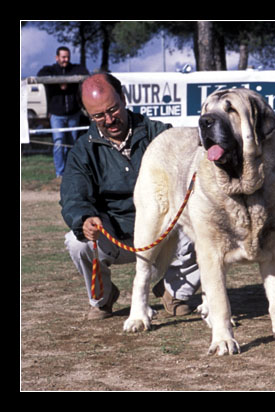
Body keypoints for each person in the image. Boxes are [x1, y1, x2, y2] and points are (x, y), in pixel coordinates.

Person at [60, 73, 201, 321]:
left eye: (113, 109)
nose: (109, 119)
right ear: (88, 115)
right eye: (99, 116)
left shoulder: (160, 134)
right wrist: (84, 219)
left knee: (203, 228)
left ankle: (174, 291)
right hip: (115, 234)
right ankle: (104, 298)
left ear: (123, 98)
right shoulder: (83, 149)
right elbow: (73, 195)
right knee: (77, 241)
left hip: (163, 233)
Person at [37, 46, 89, 178]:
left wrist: (68, 81)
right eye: (63, 57)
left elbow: (85, 73)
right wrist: (58, 81)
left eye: (67, 57)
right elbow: (40, 74)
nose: (66, 60)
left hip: (73, 113)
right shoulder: (50, 69)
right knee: (59, 143)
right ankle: (60, 174)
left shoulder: (75, 68)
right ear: (57, 58)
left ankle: (71, 172)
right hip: (56, 115)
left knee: (72, 144)